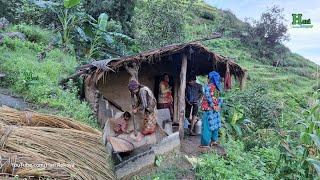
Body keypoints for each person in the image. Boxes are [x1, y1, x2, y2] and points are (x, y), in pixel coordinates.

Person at [200, 71, 223, 148]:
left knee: (207, 126)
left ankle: (205, 144)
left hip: (208, 109)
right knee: (215, 124)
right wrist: (217, 107)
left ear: (210, 78)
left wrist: (213, 106)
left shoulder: (208, 87)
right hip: (216, 110)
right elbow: (220, 99)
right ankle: (214, 141)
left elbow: (208, 98)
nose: (207, 79)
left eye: (208, 77)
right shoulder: (218, 88)